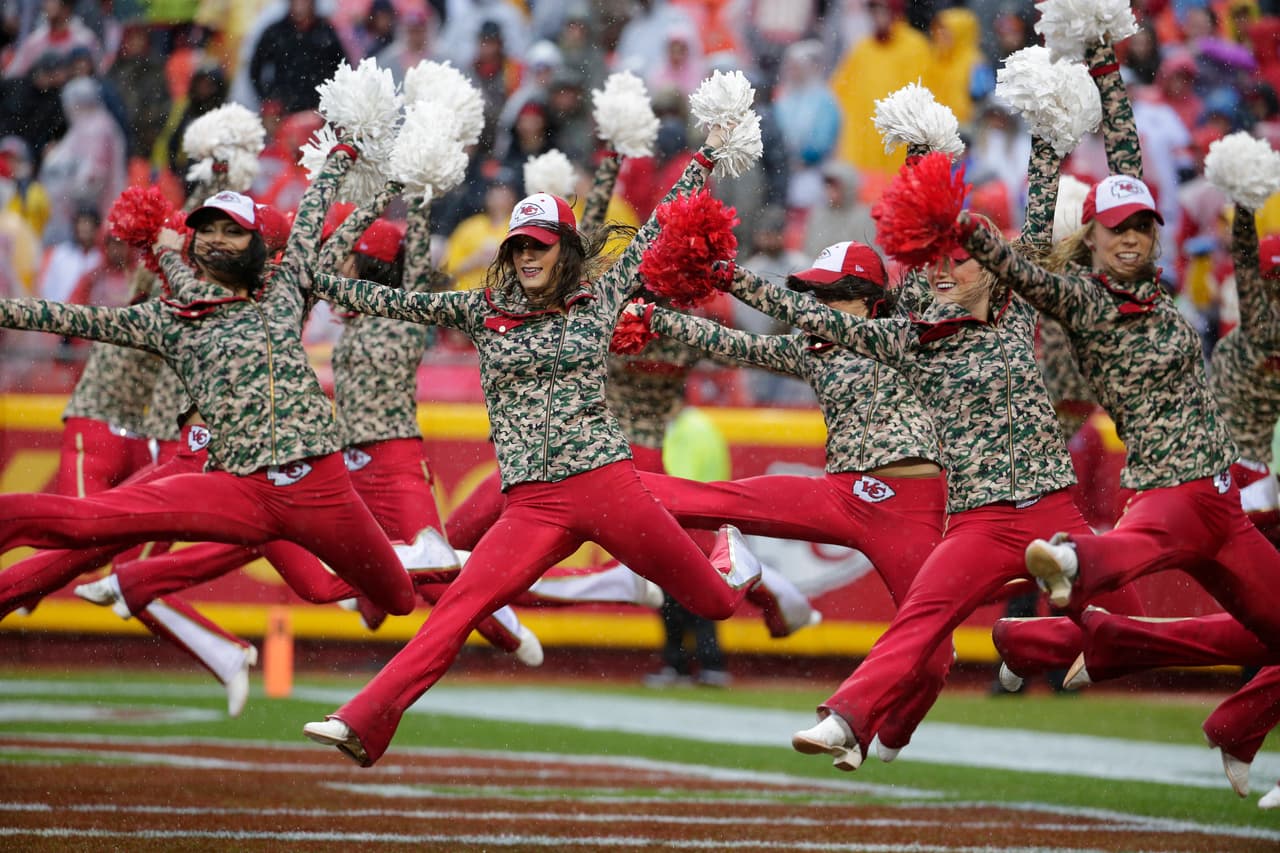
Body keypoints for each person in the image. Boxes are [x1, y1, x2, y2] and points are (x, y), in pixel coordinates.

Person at [301, 126, 764, 767]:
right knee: (457, 608)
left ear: (565, 250)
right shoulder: (481, 308)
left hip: (608, 486)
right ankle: (363, 720)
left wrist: (706, 156)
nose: (526, 256)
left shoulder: (599, 298)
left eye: (539, 245)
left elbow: (660, 225)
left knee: (713, 600)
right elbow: (387, 298)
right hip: (532, 505)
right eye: (518, 244)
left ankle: (732, 561)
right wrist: (312, 277)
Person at [0, 145, 418, 619]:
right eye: (207, 230)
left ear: (256, 246)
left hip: (322, 489)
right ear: (193, 245)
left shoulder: (285, 292)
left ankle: (428, 559)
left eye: (233, 231)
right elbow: (66, 317)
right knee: (93, 522)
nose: (217, 239)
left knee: (398, 600)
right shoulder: (170, 318)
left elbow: (316, 216)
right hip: (242, 490)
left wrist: (348, 157)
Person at [624, 240, 954, 745]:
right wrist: (651, 316)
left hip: (908, 507)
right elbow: (733, 344)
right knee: (719, 500)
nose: (815, 307)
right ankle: (595, 486)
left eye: (830, 295)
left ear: (868, 300)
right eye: (814, 295)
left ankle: (890, 732)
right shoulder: (812, 349)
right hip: (842, 494)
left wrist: (725, 273)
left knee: (934, 653)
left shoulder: (906, 333)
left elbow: (934, 254)